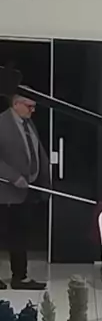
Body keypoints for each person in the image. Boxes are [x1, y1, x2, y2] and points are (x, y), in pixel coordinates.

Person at [0, 95, 50, 290]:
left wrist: (44, 177)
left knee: (20, 234)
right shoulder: (2, 123)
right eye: (29, 106)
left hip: (27, 191)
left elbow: (37, 151)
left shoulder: (28, 124)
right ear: (16, 104)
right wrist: (13, 177)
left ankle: (20, 276)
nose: (33, 110)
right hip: (5, 191)